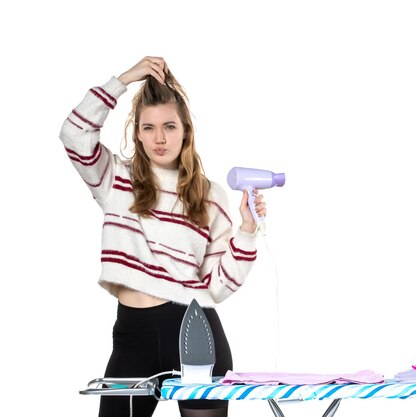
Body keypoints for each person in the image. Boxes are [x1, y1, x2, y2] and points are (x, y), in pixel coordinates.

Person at [59, 56, 266, 417]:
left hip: (195, 335)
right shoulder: (115, 180)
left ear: (185, 129)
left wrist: (247, 231)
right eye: (149, 127)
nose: (159, 138)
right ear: (136, 132)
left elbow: (217, 286)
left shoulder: (209, 195)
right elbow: (74, 134)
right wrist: (124, 79)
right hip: (130, 336)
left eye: (169, 126)